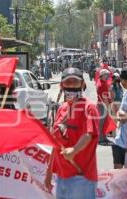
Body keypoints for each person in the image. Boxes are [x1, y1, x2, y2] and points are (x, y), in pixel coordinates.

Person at [44, 67, 99, 199]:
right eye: (68, 83)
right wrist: (49, 172)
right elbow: (55, 143)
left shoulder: (89, 108)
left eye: (75, 82)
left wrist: (74, 150)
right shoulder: (62, 108)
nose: (71, 86)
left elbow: (88, 134)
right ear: (61, 85)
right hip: (62, 177)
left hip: (81, 178)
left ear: (83, 85)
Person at [97, 69, 114, 144]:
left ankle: (103, 137)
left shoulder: (103, 83)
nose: (108, 76)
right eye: (106, 75)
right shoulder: (102, 84)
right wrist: (108, 105)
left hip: (102, 104)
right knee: (102, 122)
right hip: (103, 104)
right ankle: (100, 138)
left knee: (104, 122)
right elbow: (104, 97)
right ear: (102, 75)